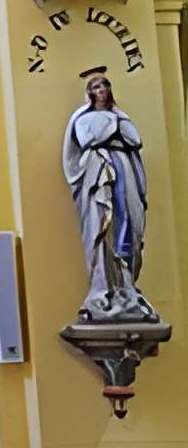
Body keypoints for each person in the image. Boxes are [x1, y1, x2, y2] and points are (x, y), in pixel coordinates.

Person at [62, 68, 156, 322]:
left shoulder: (120, 117)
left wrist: (113, 126)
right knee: (102, 227)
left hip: (124, 169)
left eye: (104, 85)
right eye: (96, 87)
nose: (101, 90)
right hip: (100, 172)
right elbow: (87, 139)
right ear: (90, 93)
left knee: (128, 221)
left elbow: (134, 140)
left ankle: (126, 286)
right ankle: (103, 288)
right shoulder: (83, 118)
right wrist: (111, 128)